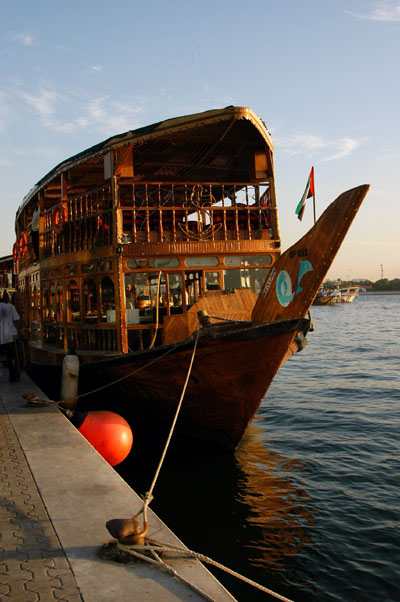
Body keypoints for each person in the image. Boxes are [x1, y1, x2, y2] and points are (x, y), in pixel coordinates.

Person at [0, 291, 20, 382]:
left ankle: (12, 374)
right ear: (7, 298)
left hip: (2, 335)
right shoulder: (10, 307)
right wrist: (19, 331)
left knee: (8, 355)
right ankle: (14, 374)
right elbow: (16, 319)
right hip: (11, 334)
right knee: (14, 355)